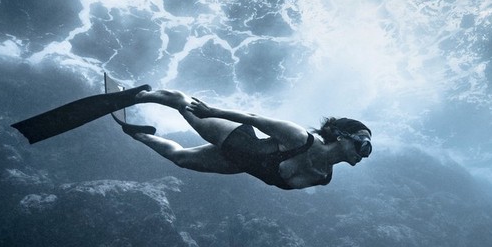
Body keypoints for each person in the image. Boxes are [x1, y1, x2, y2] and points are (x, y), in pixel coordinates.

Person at [115, 89, 371, 190]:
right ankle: (140, 95)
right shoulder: (302, 139)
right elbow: (255, 118)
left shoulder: (322, 177)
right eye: (362, 142)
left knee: (180, 159)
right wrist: (211, 112)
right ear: (341, 136)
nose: (364, 151)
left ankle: (137, 133)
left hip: (238, 164)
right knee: (187, 108)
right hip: (236, 139)